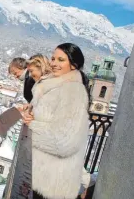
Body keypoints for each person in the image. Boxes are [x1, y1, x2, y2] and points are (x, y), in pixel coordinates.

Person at [21, 43, 89, 199]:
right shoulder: (52, 84)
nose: (54, 63)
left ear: (74, 65)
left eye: (61, 60)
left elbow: (65, 139)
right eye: (52, 58)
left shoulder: (73, 90)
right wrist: (31, 111)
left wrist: (32, 124)